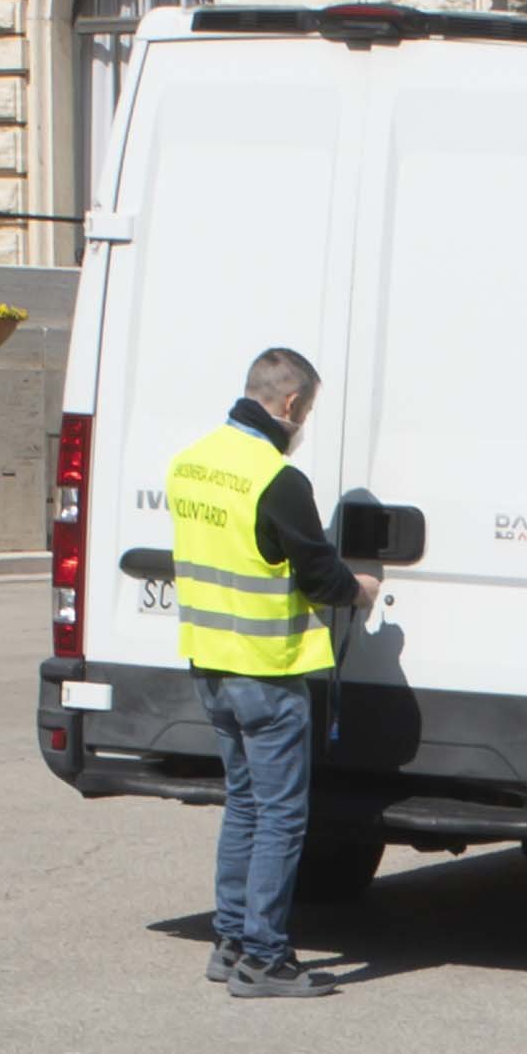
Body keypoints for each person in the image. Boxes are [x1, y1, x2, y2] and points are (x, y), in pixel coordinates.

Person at [162, 344, 360, 998]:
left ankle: (230, 941)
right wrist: (358, 588)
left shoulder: (191, 463)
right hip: (266, 672)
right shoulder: (275, 478)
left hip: (210, 665)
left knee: (242, 804)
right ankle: (266, 958)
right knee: (280, 815)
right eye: (306, 411)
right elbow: (318, 574)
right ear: (290, 404)